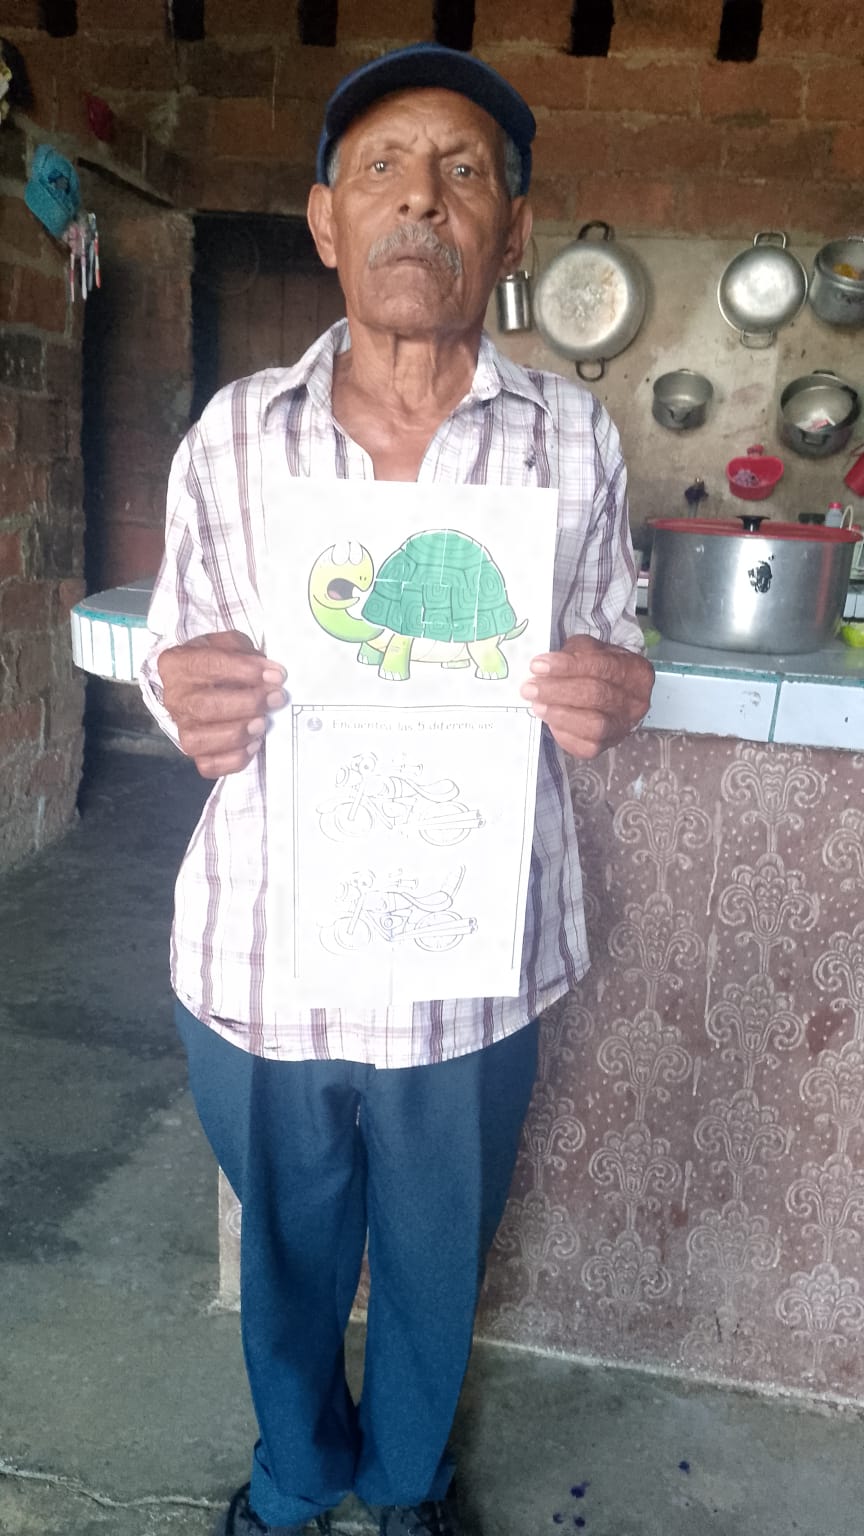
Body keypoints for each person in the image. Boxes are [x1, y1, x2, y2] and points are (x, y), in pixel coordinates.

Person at [139, 42, 654, 1536]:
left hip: (470, 965)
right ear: (326, 221)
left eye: (462, 173)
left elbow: (616, 645)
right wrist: (185, 695)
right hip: (264, 957)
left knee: (438, 1256)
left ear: (514, 232)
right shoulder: (235, 431)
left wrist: (614, 689)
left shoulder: (572, 434)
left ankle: (411, 1482)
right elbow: (178, 650)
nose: (421, 200)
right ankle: (295, 1478)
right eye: (381, 169)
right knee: (288, 1253)